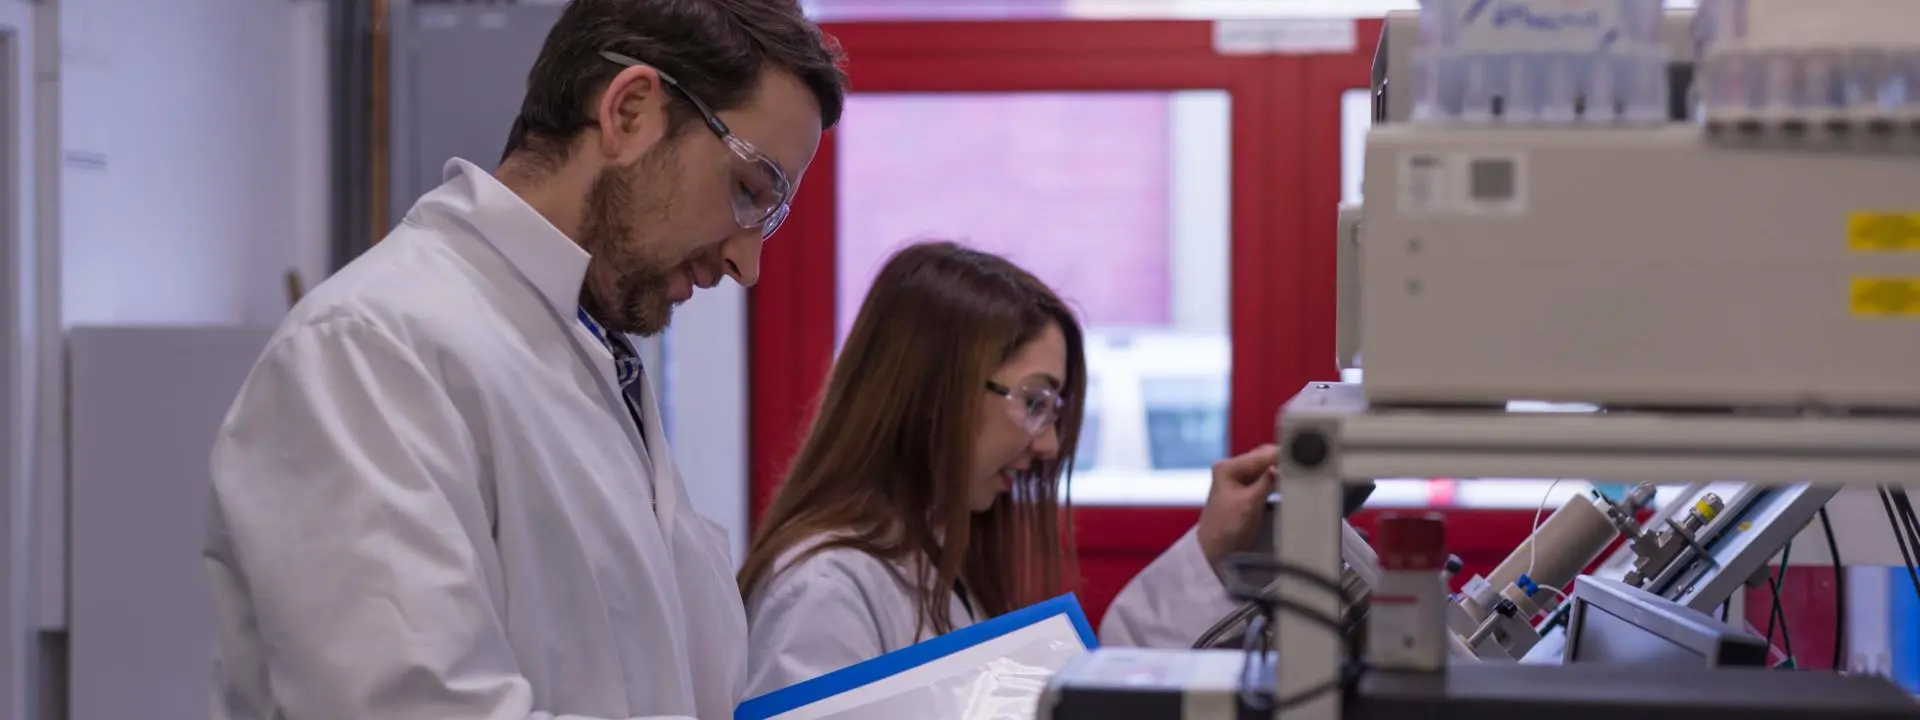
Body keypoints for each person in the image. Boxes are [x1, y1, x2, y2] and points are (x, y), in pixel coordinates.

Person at [201, 1, 846, 718]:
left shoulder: (588, 355)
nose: (745, 263)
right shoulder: (370, 349)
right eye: (749, 190)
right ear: (629, 112)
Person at [737, 241, 1280, 698]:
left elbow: (1071, 699)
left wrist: (1211, 547)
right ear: (931, 392)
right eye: (1034, 402)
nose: (1047, 445)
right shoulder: (822, 590)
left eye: (1054, 410)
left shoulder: (934, 556)